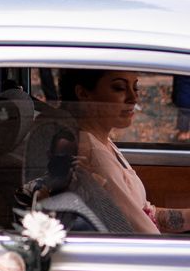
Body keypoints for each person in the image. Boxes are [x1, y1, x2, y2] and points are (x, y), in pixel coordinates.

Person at [58, 69, 190, 234]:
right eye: (119, 88)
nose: (133, 98)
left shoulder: (100, 141)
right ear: (83, 93)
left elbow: (146, 213)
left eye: (135, 88)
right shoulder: (94, 156)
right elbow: (146, 236)